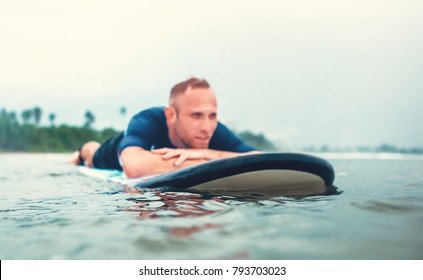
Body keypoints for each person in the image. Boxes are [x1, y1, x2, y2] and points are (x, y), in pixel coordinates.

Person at [70, 77, 257, 177]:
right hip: (112, 152)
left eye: (212, 116)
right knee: (90, 153)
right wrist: (225, 161)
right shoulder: (147, 120)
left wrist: (210, 154)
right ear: (171, 115)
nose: (207, 127)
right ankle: (79, 153)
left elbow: (261, 159)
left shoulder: (212, 130)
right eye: (196, 116)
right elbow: (134, 167)